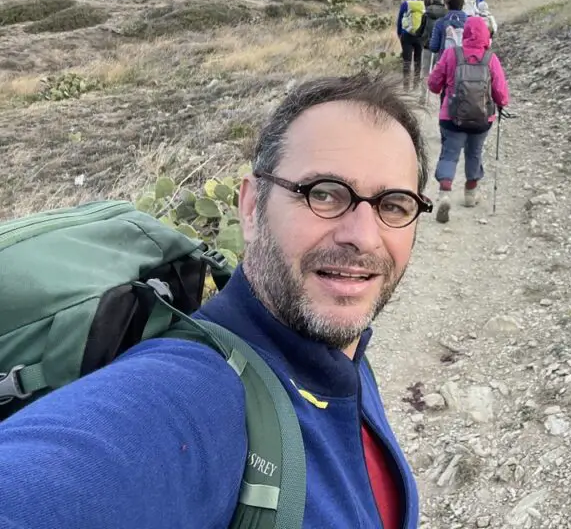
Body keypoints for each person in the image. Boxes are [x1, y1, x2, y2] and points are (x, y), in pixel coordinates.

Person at [0, 74, 431, 529]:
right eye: (322, 193)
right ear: (250, 208)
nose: (362, 237)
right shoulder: (191, 395)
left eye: (394, 205)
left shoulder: (344, 349)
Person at [427, 15, 510, 223]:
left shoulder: (451, 53)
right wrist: (501, 104)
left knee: (449, 153)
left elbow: (433, 84)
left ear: (465, 34)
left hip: (451, 116)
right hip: (482, 118)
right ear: (485, 34)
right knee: (474, 153)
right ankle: (470, 195)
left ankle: (445, 192)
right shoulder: (491, 58)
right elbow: (501, 93)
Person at [396, 0, 426, 91]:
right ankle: (416, 85)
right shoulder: (423, 5)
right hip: (420, 36)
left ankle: (406, 86)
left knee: (407, 61)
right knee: (418, 61)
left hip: (407, 35)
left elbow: (400, 18)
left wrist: (399, 33)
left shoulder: (405, 4)